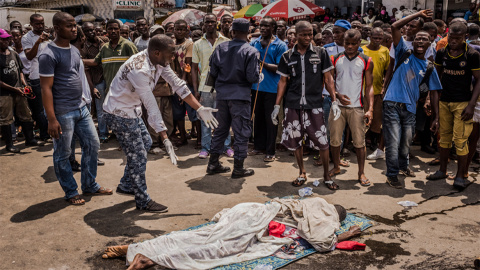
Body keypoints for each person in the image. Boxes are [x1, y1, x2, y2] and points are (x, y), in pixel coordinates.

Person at [103, 35, 218, 212]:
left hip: (131, 110)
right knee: (138, 156)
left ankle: (126, 184)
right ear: (157, 52)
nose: (173, 57)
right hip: (119, 113)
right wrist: (165, 138)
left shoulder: (158, 62)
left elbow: (178, 84)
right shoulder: (139, 69)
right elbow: (151, 105)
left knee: (146, 143)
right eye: (171, 54)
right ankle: (142, 200)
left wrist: (200, 108)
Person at [101, 198, 361, 270]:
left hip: (251, 209)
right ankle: (151, 259)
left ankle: (136, 248)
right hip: (260, 222)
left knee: (204, 235)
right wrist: (344, 234)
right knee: (221, 249)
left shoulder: (306, 200)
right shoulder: (327, 214)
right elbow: (321, 240)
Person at [39, 12, 113, 205]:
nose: (74, 29)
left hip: (81, 108)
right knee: (63, 153)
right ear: (56, 28)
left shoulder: (73, 49)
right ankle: (71, 191)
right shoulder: (48, 53)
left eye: (74, 25)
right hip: (63, 112)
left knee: (93, 145)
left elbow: (77, 75)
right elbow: (45, 88)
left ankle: (89, 185)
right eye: (69, 26)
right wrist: (52, 119)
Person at [272, 21, 340, 188]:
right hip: (293, 104)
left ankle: (326, 175)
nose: (308, 37)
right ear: (296, 35)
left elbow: (328, 78)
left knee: (322, 142)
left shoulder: (321, 52)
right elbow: (282, 81)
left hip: (314, 104)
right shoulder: (287, 56)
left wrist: (334, 101)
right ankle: (302, 172)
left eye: (310, 34)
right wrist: (276, 106)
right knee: (296, 141)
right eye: (304, 34)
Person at [382, 10, 442, 189]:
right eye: (418, 39)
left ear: (431, 43)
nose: (421, 41)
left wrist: (437, 117)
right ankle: (392, 175)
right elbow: (394, 26)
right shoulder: (403, 52)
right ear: (412, 42)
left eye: (425, 39)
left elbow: (435, 92)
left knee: (406, 141)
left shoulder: (429, 66)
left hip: (410, 108)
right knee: (393, 142)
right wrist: (419, 14)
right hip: (392, 103)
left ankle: (403, 167)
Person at [427, 22, 480, 190]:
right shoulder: (441, 53)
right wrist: (433, 106)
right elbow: (435, 80)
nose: (453, 41)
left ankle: (460, 176)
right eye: (451, 38)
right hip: (444, 101)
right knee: (444, 138)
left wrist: (472, 104)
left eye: (457, 38)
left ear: (464, 37)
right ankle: (442, 170)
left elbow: (479, 79)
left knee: (461, 140)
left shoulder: (471, 55)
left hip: (463, 103)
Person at [206, 18, 259, 178]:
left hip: (221, 96)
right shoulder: (250, 51)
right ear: (248, 33)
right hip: (240, 97)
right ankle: (238, 168)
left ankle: (213, 163)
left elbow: (212, 73)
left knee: (220, 130)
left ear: (232, 32)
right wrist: (258, 75)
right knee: (242, 132)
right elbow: (252, 77)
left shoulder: (220, 48)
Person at [329, 29, 374, 189]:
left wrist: (370, 110)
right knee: (334, 140)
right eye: (347, 43)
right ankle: (336, 166)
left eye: (353, 43)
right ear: (343, 42)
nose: (349, 46)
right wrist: (337, 95)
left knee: (359, 142)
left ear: (359, 43)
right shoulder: (334, 59)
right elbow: (329, 82)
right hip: (337, 107)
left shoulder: (366, 60)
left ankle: (361, 172)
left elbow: (369, 87)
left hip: (357, 107)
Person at [192, 14, 231, 159]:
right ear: (203, 24)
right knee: (205, 119)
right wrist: (196, 91)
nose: (209, 24)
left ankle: (226, 146)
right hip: (205, 88)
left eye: (212, 22)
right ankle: (205, 147)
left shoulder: (226, 42)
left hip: (222, 87)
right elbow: (195, 69)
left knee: (224, 118)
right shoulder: (197, 44)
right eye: (207, 22)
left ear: (217, 24)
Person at [249, 17, 288, 162]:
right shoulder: (254, 43)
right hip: (256, 87)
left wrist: (261, 63)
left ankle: (270, 150)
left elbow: (280, 67)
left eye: (267, 26)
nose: (263, 28)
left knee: (271, 119)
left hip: (272, 89)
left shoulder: (280, 45)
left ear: (273, 28)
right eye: (261, 26)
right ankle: (259, 146)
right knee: (257, 118)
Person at [0, 28, 40, 153]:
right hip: (4, 93)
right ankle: (9, 144)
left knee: (26, 115)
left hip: (20, 90)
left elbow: (20, 71)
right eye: (3, 39)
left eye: (7, 38)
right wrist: (14, 89)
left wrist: (24, 85)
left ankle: (30, 139)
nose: (6, 41)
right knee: (6, 119)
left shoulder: (13, 53)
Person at [84, 19, 138, 95]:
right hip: (110, 91)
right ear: (106, 31)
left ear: (119, 30)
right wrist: (78, 60)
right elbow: (95, 62)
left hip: (127, 91)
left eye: (115, 29)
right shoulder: (105, 48)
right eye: (110, 29)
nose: (113, 31)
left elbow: (138, 65)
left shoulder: (128, 45)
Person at [170, 20, 201, 148]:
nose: (180, 32)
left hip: (186, 81)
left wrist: (181, 82)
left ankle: (199, 139)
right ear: (174, 30)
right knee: (178, 112)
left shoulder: (189, 44)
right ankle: (183, 137)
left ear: (187, 30)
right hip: (172, 81)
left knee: (193, 111)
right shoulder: (170, 44)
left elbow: (187, 65)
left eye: (183, 29)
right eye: (177, 29)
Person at [22, 14, 50, 142]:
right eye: (37, 24)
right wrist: (38, 41)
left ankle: (53, 131)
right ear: (31, 23)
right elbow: (29, 56)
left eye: (42, 23)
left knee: (52, 104)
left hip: (50, 74)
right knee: (40, 107)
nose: (40, 26)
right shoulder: (27, 38)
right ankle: (44, 134)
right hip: (36, 76)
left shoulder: (48, 35)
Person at [364, 28, 390, 160]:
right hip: (363, 90)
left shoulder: (385, 51)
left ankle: (373, 142)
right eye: (375, 38)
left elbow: (387, 71)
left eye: (380, 38)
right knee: (362, 117)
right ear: (370, 36)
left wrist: (384, 88)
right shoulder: (362, 50)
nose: (377, 40)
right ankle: (361, 141)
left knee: (377, 118)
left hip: (378, 90)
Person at [81, 22, 109, 143]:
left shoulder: (104, 41)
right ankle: (103, 133)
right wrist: (92, 87)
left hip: (109, 77)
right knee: (100, 109)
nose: (91, 33)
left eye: (92, 30)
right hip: (96, 80)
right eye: (87, 31)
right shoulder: (84, 47)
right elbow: (86, 68)